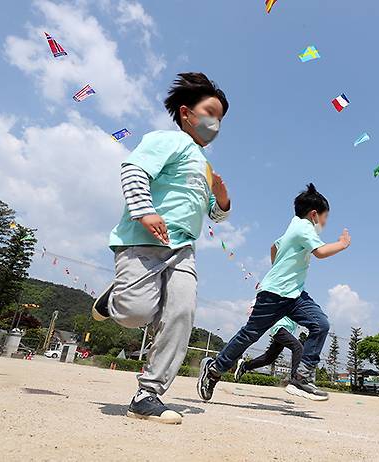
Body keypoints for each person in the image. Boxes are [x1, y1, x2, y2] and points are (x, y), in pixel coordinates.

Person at [91, 72, 232, 425]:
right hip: (143, 241)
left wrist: (222, 202)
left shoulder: (205, 164)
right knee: (135, 313)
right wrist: (145, 211)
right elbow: (133, 169)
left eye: (221, 120)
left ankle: (148, 394)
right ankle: (114, 301)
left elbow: (209, 212)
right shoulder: (167, 141)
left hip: (183, 248)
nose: (216, 124)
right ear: (187, 113)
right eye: (211, 113)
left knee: (181, 315)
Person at [198, 184, 351, 402]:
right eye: (325, 219)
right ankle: (214, 369)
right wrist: (343, 244)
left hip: (294, 295)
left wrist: (278, 268)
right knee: (250, 334)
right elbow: (321, 252)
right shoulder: (305, 227)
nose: (325, 224)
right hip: (274, 294)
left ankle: (301, 376)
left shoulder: (294, 226)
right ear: (314, 215)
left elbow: (274, 246)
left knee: (320, 324)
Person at [234, 316, 303, 382]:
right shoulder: (295, 305)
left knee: (268, 358)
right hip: (280, 328)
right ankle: (295, 380)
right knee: (298, 347)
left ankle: (245, 366)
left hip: (284, 331)